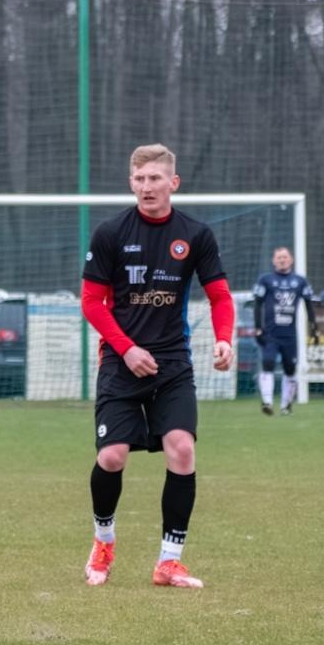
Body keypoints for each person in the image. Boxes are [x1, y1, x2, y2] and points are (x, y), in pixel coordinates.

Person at [80, 143, 235, 590]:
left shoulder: (196, 235)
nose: (147, 187)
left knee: (182, 449)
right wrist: (126, 349)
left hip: (172, 364)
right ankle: (103, 542)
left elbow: (221, 296)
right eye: (139, 179)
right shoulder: (110, 233)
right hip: (120, 361)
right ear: (131, 183)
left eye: (155, 178)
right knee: (111, 456)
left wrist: (224, 339)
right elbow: (92, 302)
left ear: (173, 182)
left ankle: (169, 561)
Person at [252, 247, 319, 415]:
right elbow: (258, 304)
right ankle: (267, 402)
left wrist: (314, 328)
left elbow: (309, 305)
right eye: (279, 257)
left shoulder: (300, 281)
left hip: (290, 336)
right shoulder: (265, 280)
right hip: (271, 334)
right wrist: (258, 327)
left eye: (285, 257)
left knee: (290, 369)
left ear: (291, 260)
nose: (282, 260)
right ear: (273, 261)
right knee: (268, 363)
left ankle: (285, 405)